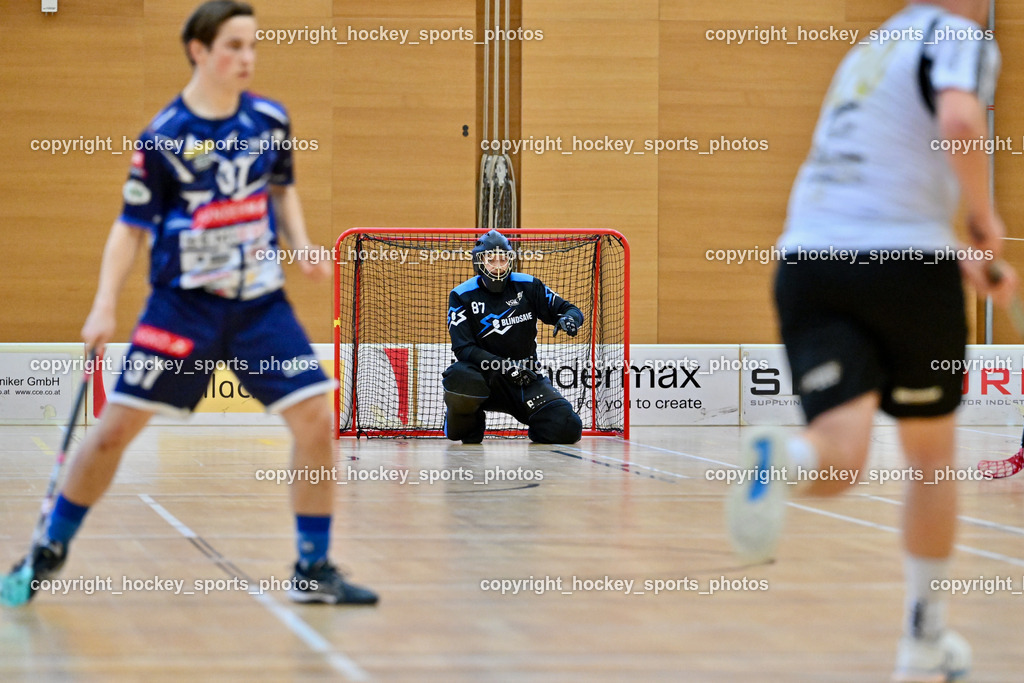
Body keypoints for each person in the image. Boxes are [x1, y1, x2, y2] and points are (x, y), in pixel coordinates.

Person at [5, 1, 376, 606]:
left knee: (315, 420)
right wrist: (103, 305)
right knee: (111, 434)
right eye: (233, 45)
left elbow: (282, 190)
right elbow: (129, 227)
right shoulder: (165, 136)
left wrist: (302, 245)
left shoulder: (270, 121)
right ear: (199, 51)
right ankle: (51, 544)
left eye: (252, 45)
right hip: (182, 309)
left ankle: (314, 567)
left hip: (259, 304)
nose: (246, 58)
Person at [726, 1, 1015, 680]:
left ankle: (786, 456)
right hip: (904, 269)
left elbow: (876, 182)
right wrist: (982, 219)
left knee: (840, 451)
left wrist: (950, 248)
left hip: (806, 265)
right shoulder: (958, 36)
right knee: (929, 457)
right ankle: (923, 641)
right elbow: (961, 119)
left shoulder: (870, 51)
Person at [443, 229, 584, 444]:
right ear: (479, 262)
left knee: (568, 427)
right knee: (460, 377)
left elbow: (569, 309)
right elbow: (463, 348)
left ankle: (536, 424)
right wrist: (505, 367)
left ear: (510, 260)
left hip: (524, 377)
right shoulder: (461, 295)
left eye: (503, 259)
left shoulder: (528, 285)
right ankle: (469, 421)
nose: (498, 266)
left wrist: (569, 319)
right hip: (484, 377)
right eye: (491, 260)